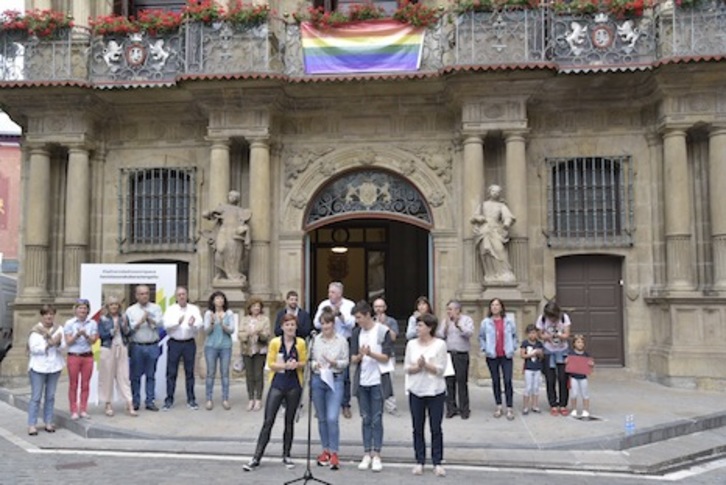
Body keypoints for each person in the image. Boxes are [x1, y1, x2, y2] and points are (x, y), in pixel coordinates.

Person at [243, 313, 307, 472]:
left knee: (289, 422)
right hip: (277, 385)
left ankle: (286, 454)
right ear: (282, 327)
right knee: (268, 421)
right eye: (287, 325)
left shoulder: (300, 343)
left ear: (296, 327)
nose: (290, 328)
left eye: (292, 325)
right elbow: (270, 364)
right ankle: (256, 457)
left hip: (294, 385)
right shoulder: (275, 343)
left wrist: (297, 364)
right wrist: (285, 366)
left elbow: (304, 362)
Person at [350, 300, 394, 473]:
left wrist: (370, 354)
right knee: (365, 417)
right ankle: (366, 451)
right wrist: (360, 356)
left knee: (377, 418)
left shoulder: (382, 331)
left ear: (368, 315)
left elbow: (387, 357)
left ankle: (377, 453)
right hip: (362, 380)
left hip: (378, 379)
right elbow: (353, 359)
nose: (357, 321)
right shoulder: (356, 333)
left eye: (359, 317)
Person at [404, 313, 448, 477]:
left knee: (436, 427)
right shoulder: (411, 345)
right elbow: (407, 368)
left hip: (435, 390)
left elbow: (441, 369)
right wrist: (418, 367)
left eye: (421, 325)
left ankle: (437, 461)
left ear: (429, 328)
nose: (417, 328)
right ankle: (419, 460)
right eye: (417, 325)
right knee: (417, 427)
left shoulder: (440, 345)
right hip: (416, 390)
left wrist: (426, 365)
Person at [311, 307, 349, 470]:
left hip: (335, 379)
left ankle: (334, 451)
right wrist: (315, 365)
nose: (325, 327)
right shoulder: (316, 340)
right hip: (319, 379)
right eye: (322, 324)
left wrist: (335, 363)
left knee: (332, 417)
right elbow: (311, 360)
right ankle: (325, 449)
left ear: (333, 324)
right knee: (322, 417)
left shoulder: (342, 341)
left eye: (327, 324)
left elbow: (346, 362)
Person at [313, 282, 355, 418]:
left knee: (345, 374)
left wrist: (340, 315)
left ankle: (345, 405)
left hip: (342, 342)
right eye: (329, 292)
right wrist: (327, 317)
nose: (330, 294)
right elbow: (316, 323)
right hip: (325, 341)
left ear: (340, 294)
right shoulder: (324, 305)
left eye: (333, 292)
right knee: (324, 371)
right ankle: (322, 404)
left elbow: (352, 324)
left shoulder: (349, 305)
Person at [162, 286, 203, 411]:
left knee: (190, 372)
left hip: (189, 343)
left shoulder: (193, 309)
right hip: (174, 343)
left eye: (183, 294)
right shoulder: (171, 310)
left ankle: (191, 399)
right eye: (179, 294)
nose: (181, 296)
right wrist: (177, 323)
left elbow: (200, 324)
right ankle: (169, 399)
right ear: (176, 296)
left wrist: (193, 324)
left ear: (187, 295)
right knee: (171, 372)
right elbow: (166, 325)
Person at [27, 304, 64, 435]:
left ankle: (48, 421)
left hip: (54, 367)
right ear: (42, 316)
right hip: (38, 367)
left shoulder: (59, 329)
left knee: (50, 396)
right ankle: (32, 424)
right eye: (46, 314)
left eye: (51, 314)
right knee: (36, 397)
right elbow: (34, 349)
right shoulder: (36, 331)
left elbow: (63, 347)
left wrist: (58, 343)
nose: (49, 316)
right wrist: (49, 344)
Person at [125, 285, 164, 412]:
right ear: (136, 295)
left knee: (151, 375)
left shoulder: (156, 308)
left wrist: (149, 319)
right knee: (135, 376)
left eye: (146, 293)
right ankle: (135, 402)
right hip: (137, 346)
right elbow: (129, 329)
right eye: (141, 294)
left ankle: (150, 401)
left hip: (152, 345)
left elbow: (160, 324)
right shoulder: (131, 310)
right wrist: (141, 321)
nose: (145, 296)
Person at [479, 298, 518, 420]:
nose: (495, 307)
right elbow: (481, 337)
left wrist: (513, 347)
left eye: (497, 305)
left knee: (507, 380)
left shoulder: (508, 321)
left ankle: (510, 407)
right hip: (492, 356)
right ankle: (499, 405)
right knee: (495, 381)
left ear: (501, 307)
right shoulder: (485, 322)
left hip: (506, 355)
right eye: (493, 305)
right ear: (490, 308)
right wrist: (485, 348)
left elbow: (514, 336)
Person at [98, 295, 136, 417]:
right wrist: (111, 332)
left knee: (124, 376)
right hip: (108, 348)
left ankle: (129, 403)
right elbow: (101, 335)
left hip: (122, 347)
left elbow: (129, 333)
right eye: (111, 304)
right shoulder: (103, 319)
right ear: (107, 307)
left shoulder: (124, 317)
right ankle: (108, 403)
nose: (114, 306)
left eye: (116, 304)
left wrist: (125, 327)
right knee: (107, 377)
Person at [203, 190, 252, 283]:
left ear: (237, 199)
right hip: (223, 232)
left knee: (233, 255)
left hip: (234, 234)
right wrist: (209, 213)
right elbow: (210, 215)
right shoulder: (223, 207)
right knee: (220, 250)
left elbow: (244, 221)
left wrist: (244, 229)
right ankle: (222, 271)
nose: (232, 198)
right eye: (231, 196)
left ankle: (231, 275)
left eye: (234, 196)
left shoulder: (241, 210)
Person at [470, 184, 516, 283]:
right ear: (489, 192)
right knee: (486, 251)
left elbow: (508, 216)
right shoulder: (483, 205)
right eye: (494, 191)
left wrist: (506, 224)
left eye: (498, 192)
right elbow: (474, 217)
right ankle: (491, 274)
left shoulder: (501, 206)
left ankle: (504, 273)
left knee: (500, 250)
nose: (496, 193)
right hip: (484, 230)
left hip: (496, 230)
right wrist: (479, 218)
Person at [436, 300, 474, 419]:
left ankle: (464, 409)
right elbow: (440, 335)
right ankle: (451, 408)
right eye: (447, 309)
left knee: (461, 382)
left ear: (457, 310)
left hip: (461, 354)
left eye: (451, 309)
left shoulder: (466, 320)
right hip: (448, 354)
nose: (449, 312)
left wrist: (459, 325)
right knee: (449, 382)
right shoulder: (445, 321)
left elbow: (469, 333)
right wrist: (446, 328)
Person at [535, 300, 572, 416]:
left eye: (553, 317)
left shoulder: (564, 318)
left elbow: (567, 334)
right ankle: (553, 404)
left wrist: (559, 335)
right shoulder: (542, 319)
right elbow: (539, 334)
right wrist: (546, 337)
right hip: (548, 351)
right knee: (550, 379)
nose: (552, 320)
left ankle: (563, 404)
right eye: (550, 317)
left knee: (563, 378)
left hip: (562, 350)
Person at [64, 298, 98, 420]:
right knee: (73, 384)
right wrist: (77, 335)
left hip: (87, 356)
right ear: (75, 310)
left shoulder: (92, 323)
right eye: (80, 308)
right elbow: (68, 342)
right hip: (74, 356)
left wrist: (86, 335)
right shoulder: (69, 323)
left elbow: (94, 341)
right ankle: (73, 409)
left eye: (85, 308)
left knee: (85, 384)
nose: (82, 310)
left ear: (88, 310)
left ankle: (83, 409)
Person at [203, 290, 235, 411]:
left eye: (221, 298)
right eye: (217, 298)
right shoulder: (208, 314)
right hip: (211, 346)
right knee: (210, 373)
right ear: (213, 301)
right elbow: (206, 331)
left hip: (225, 346)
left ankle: (225, 399)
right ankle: (209, 399)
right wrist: (212, 323)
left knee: (225, 373)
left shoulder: (229, 313)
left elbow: (232, 330)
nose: (219, 301)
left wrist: (223, 324)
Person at [239, 297, 271, 412]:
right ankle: (250, 398)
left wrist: (259, 332)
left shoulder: (265, 319)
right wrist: (248, 334)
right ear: (250, 308)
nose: (256, 308)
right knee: (249, 375)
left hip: (260, 350)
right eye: (254, 306)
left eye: (258, 306)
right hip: (247, 350)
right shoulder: (244, 319)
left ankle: (258, 399)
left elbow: (267, 334)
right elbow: (240, 334)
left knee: (258, 375)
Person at [373, 297, 399, 415]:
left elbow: (393, 337)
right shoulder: (371, 321)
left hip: (389, 354)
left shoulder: (391, 321)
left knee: (389, 381)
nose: (379, 309)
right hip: (374, 354)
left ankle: (391, 407)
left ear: (385, 308)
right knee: (375, 381)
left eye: (381, 306)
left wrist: (383, 325)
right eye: (376, 306)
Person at [567, 334, 594, 418]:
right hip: (574, 377)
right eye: (578, 342)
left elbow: (591, 363)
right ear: (574, 343)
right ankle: (574, 409)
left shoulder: (586, 354)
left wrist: (591, 364)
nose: (580, 344)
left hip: (583, 377)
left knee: (585, 394)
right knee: (574, 394)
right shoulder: (571, 353)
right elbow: (568, 363)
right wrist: (567, 362)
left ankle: (586, 410)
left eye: (582, 342)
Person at [520, 323, 544, 415]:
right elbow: (522, 355)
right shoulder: (525, 343)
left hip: (537, 368)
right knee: (528, 387)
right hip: (528, 368)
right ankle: (525, 406)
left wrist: (540, 353)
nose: (532, 335)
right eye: (530, 333)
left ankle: (535, 405)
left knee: (536, 387)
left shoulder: (539, 344)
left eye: (534, 333)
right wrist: (531, 354)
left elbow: (542, 357)